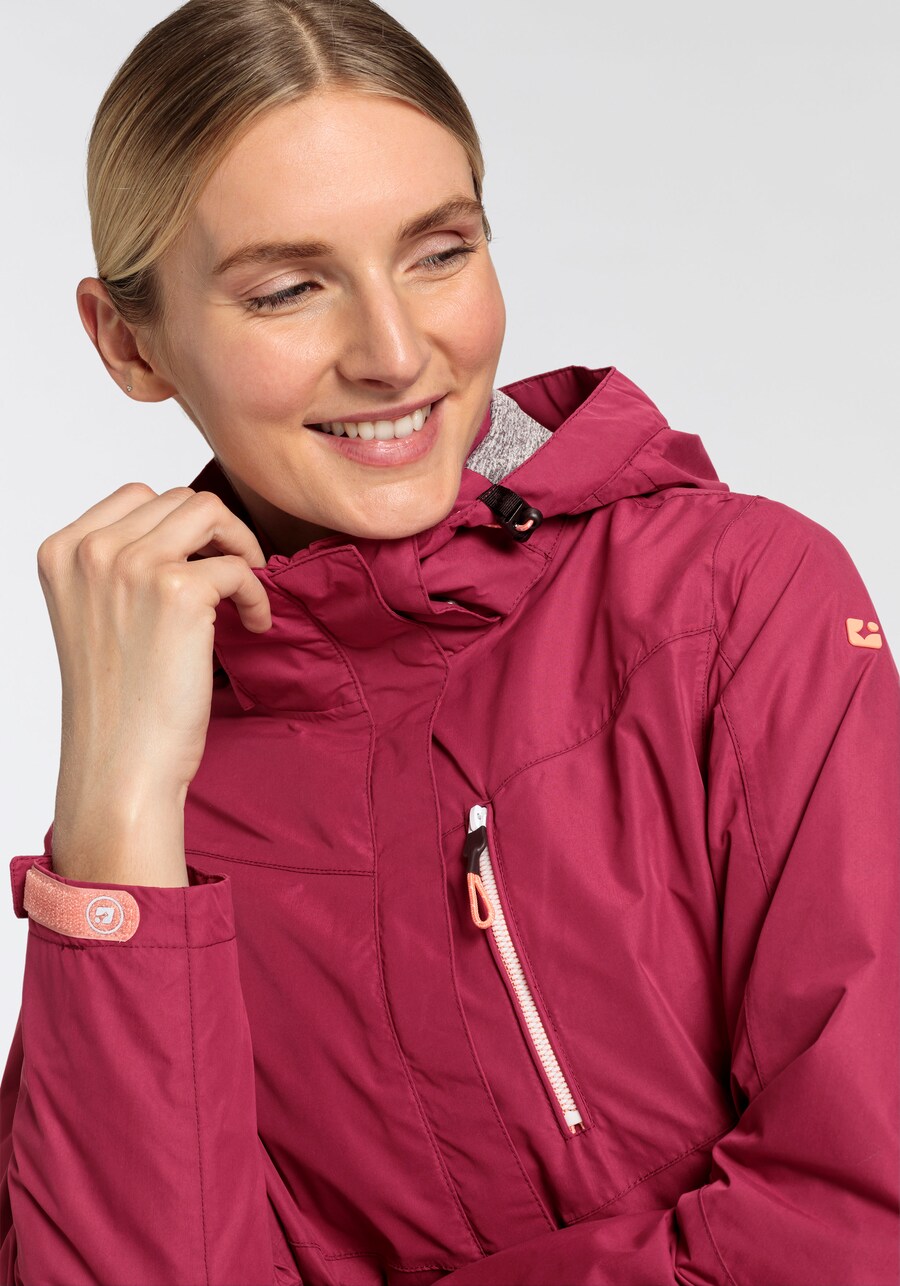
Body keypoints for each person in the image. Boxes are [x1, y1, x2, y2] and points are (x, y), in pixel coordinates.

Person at [1, 0, 897, 1281]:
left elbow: (860, 1220)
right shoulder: (155, 805)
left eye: (438, 253)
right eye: (289, 288)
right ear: (128, 341)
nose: (394, 351)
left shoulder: (735, 604)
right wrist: (113, 811)